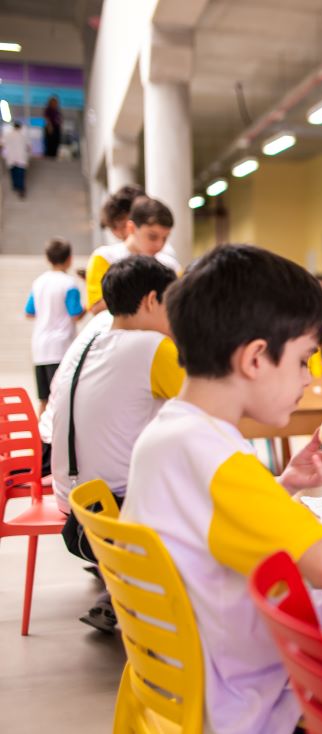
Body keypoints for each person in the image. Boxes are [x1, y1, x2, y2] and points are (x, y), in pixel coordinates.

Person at [121, 244, 322, 734]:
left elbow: (207, 524)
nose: (309, 377)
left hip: (177, 692)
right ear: (256, 357)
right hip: (248, 702)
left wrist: (284, 484)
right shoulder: (221, 460)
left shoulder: (168, 434)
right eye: (303, 360)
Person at [50, 255, 182, 631]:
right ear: (153, 301)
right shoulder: (153, 347)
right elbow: (212, 410)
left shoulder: (89, 343)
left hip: (75, 509)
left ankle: (122, 588)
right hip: (119, 514)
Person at [86, 196, 179, 314]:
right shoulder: (105, 257)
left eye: (165, 238)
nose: (159, 245)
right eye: (152, 237)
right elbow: (95, 308)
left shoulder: (170, 265)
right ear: (131, 228)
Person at [25, 238, 84, 411]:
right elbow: (75, 315)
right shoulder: (69, 284)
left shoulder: (39, 282)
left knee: (43, 400)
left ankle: (39, 437)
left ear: (47, 258)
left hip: (39, 347)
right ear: (69, 258)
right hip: (61, 347)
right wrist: (89, 306)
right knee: (60, 399)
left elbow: (29, 312)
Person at [2, 121, 30, 198]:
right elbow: (28, 147)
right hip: (21, 158)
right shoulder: (23, 136)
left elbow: (2, 145)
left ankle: (15, 186)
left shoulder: (7, 135)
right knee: (20, 175)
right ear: (20, 127)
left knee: (13, 173)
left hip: (11, 158)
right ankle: (21, 190)